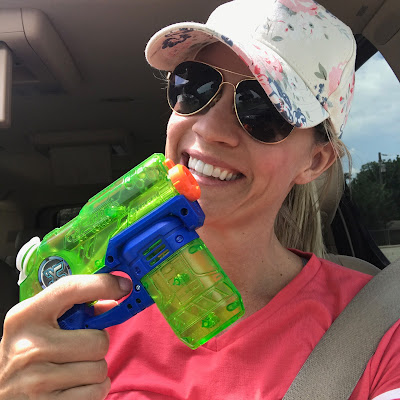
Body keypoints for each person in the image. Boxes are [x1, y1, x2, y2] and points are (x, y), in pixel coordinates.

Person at [1, 0, 399, 399]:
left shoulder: (380, 329)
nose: (209, 129)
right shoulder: (79, 309)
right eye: (194, 86)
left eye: (263, 109)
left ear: (314, 161)